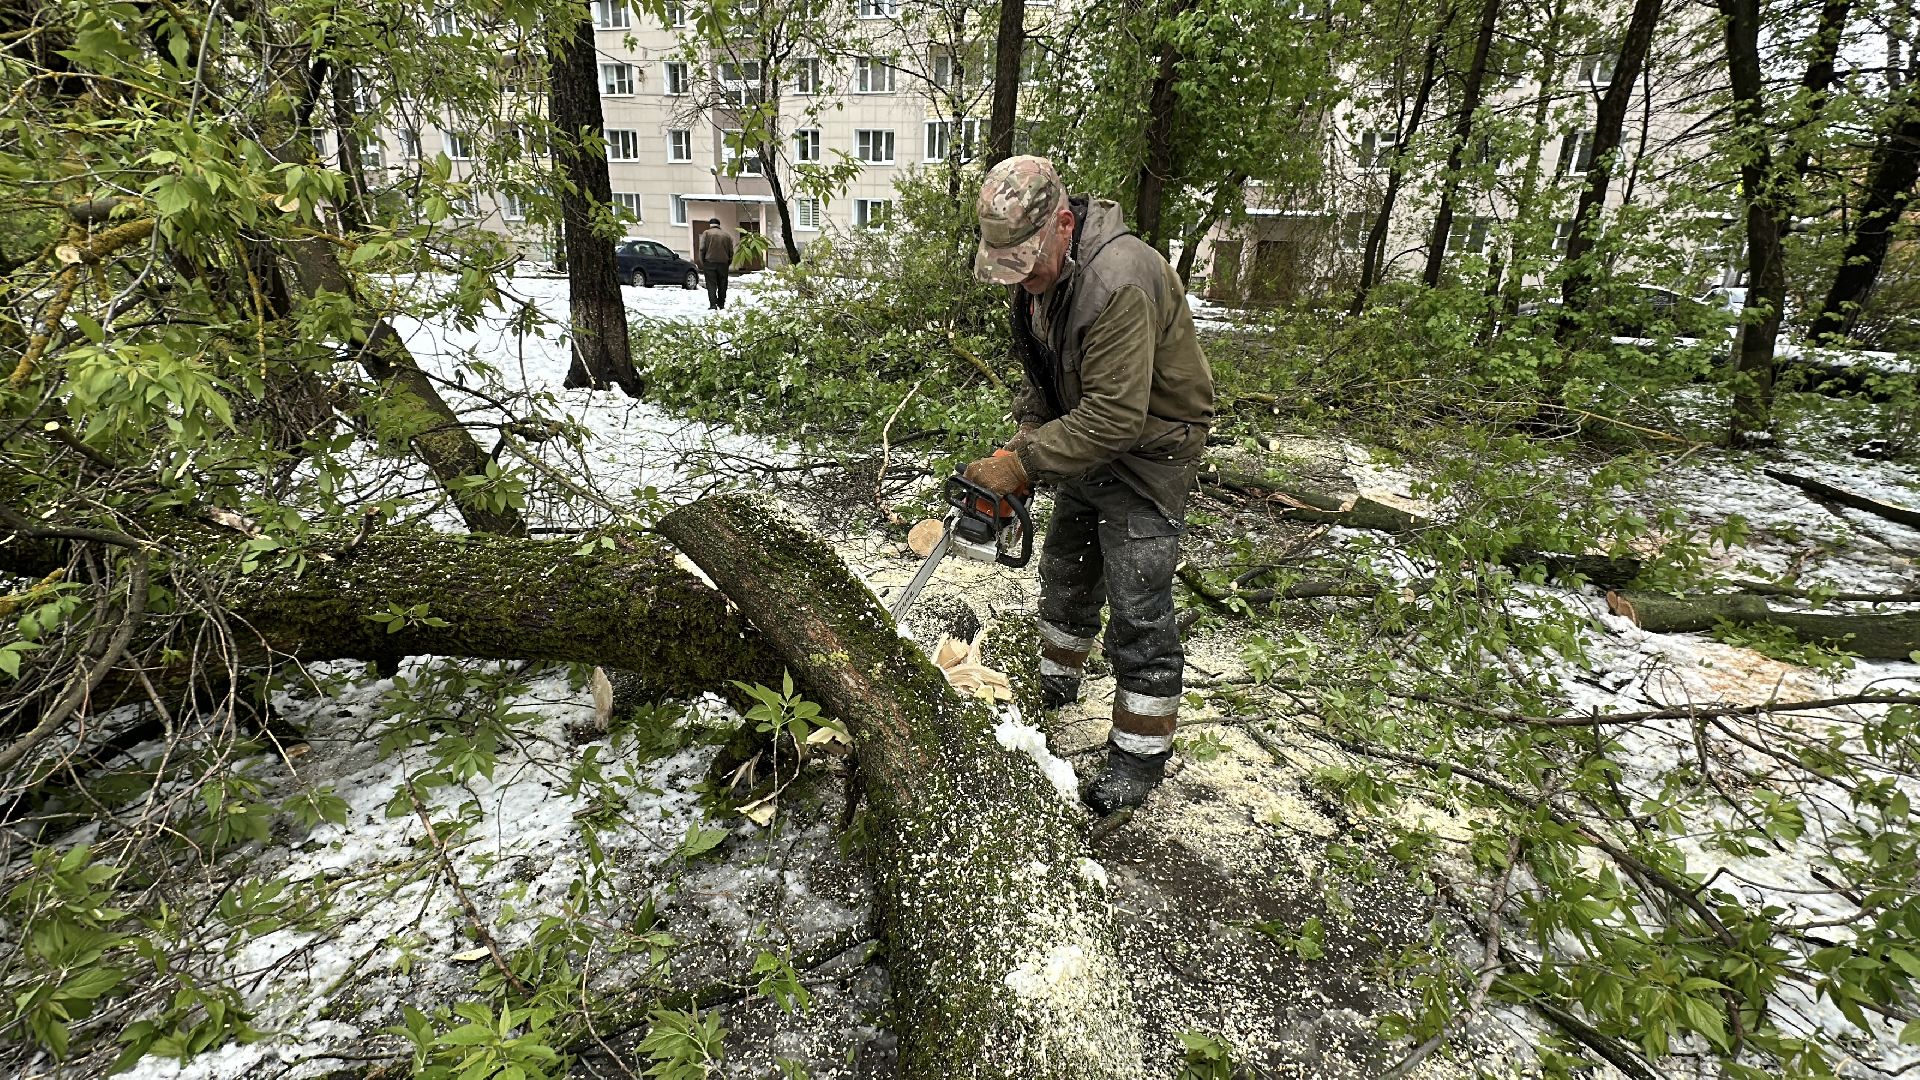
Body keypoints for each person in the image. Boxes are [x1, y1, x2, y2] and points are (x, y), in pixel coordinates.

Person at [963, 155, 1215, 816]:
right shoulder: (1041, 276)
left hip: (1150, 451)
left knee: (1138, 607)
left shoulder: (1118, 280)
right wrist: (1021, 439)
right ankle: (1056, 678)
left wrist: (1027, 464)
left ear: (1064, 225)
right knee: (1067, 571)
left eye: (1028, 263)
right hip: (1087, 437)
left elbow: (1117, 417)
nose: (1023, 279)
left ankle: (1137, 756)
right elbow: (1045, 375)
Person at [698, 218, 735, 310]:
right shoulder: (726, 235)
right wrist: (728, 262)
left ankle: (713, 304)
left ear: (710, 225)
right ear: (719, 225)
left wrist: (703, 261)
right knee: (722, 284)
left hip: (709, 262)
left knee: (711, 284)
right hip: (723, 263)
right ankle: (721, 304)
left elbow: (702, 249)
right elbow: (731, 251)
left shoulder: (706, 233)